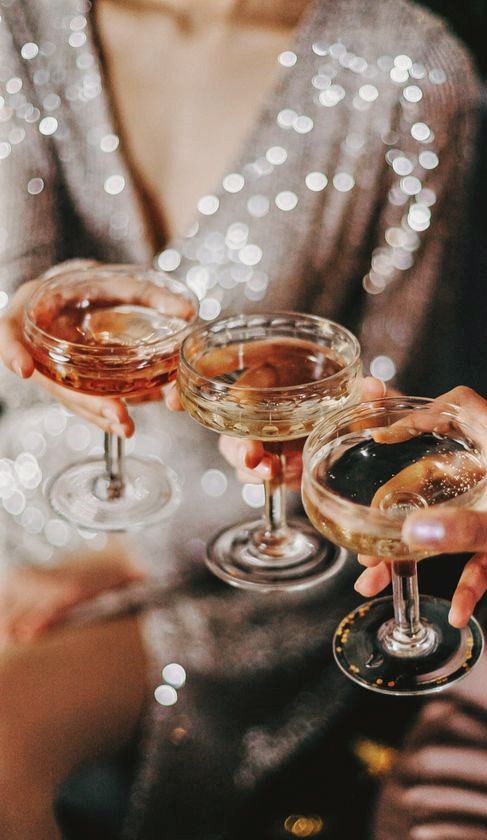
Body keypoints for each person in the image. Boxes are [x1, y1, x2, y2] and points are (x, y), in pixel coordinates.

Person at [0, 1, 482, 838]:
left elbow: (387, 416)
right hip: (28, 490)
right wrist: (22, 315)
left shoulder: (410, 70)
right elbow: (23, 282)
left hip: (251, 549)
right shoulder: (23, 22)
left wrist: (136, 554)